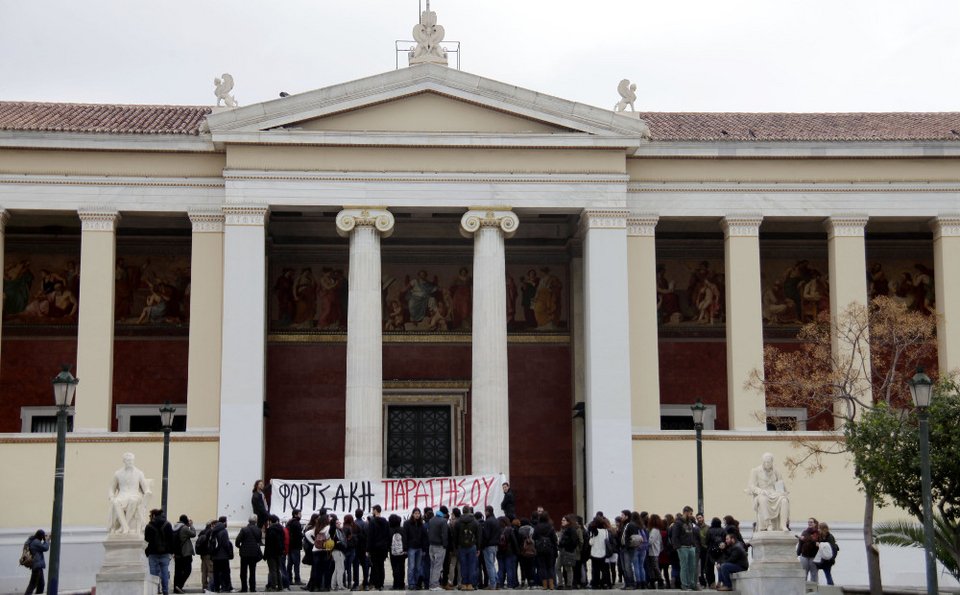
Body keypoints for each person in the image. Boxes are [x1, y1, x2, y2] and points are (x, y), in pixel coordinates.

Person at [108, 452, 152, 535]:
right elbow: (111, 488)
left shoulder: (139, 473)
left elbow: (146, 488)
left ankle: (123, 527)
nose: (130, 462)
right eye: (128, 461)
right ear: (124, 461)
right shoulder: (118, 473)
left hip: (135, 494)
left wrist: (147, 493)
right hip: (122, 495)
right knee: (115, 502)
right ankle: (125, 527)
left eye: (131, 460)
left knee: (133, 500)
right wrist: (111, 496)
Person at [747, 453, 791, 532]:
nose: (767, 464)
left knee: (784, 500)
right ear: (763, 462)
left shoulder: (776, 471)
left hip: (774, 493)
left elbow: (780, 483)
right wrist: (760, 491)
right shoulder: (756, 471)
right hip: (761, 493)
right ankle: (768, 524)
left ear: (772, 462)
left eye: (769, 462)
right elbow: (751, 486)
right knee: (763, 499)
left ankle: (783, 525)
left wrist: (782, 492)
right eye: (765, 462)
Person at [144, 508, 174, 595]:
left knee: (153, 574)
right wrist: (171, 552)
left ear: (153, 515)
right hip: (165, 553)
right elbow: (171, 539)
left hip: (153, 553)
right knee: (164, 572)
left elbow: (146, 540)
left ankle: (155, 591)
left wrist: (147, 552)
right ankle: (165, 591)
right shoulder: (167, 524)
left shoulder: (149, 526)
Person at [669, 506, 699, 591]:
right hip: (682, 547)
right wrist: (678, 547)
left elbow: (692, 535)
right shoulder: (678, 523)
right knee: (684, 566)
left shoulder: (690, 522)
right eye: (690, 513)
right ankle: (685, 585)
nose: (691, 515)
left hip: (691, 547)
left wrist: (693, 545)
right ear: (685, 512)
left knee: (692, 567)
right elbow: (674, 536)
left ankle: (692, 584)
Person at [454, 505, 480, 591]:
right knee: (472, 565)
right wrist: (478, 548)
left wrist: (455, 547)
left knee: (463, 565)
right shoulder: (475, 522)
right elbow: (479, 536)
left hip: (461, 546)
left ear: (462, 512)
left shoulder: (458, 522)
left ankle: (464, 584)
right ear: (469, 511)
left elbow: (455, 536)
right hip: (472, 546)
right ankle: (470, 584)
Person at [236, 514, 264, 593]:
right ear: (256, 521)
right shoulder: (258, 530)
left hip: (244, 554)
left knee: (243, 572)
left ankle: (244, 588)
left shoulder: (244, 529)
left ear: (249, 521)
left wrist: (240, 547)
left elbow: (237, 541)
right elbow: (258, 541)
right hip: (254, 553)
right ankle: (252, 588)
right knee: (252, 572)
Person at [367, 505, 391, 591]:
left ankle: (377, 584)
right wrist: (387, 547)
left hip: (374, 548)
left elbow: (370, 536)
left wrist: (368, 549)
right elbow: (388, 535)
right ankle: (381, 583)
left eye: (373, 510)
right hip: (383, 548)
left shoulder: (372, 522)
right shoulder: (385, 521)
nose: (372, 512)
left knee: (375, 566)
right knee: (381, 565)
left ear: (376, 511)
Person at [172, 514, 196, 594]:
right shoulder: (184, 528)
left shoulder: (174, 527)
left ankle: (176, 588)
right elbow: (193, 534)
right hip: (185, 553)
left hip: (177, 553)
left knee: (177, 571)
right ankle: (179, 586)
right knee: (187, 570)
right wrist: (191, 525)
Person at [427, 506, 450, 590]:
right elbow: (444, 535)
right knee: (438, 566)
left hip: (431, 546)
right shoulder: (443, 521)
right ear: (445, 513)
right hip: (439, 546)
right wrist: (445, 545)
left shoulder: (431, 519)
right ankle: (434, 585)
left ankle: (431, 583)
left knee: (432, 565)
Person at [404, 508, 426, 590]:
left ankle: (417, 583)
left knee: (418, 567)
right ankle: (411, 583)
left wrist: (424, 549)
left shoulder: (421, 524)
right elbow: (405, 536)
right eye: (415, 513)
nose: (417, 515)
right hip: (411, 547)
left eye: (418, 513)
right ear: (413, 514)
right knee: (411, 567)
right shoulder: (407, 523)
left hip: (419, 548)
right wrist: (405, 548)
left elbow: (424, 537)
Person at [588, 515, 612, 589]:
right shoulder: (605, 531)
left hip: (594, 553)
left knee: (595, 570)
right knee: (604, 570)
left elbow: (591, 543)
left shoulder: (594, 531)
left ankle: (596, 584)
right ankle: (605, 583)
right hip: (603, 552)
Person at [480, 506, 501, 589]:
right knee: (492, 565)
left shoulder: (488, 522)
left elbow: (486, 535)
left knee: (489, 566)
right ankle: (496, 582)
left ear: (488, 511)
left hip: (488, 546)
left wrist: (482, 545)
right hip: (495, 545)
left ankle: (493, 584)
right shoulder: (496, 521)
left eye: (485, 511)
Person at [23, 529, 49, 595]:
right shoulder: (36, 542)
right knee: (32, 585)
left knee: (41, 584)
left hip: (38, 566)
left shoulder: (34, 541)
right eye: (43, 536)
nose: (43, 537)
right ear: (41, 536)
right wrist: (46, 540)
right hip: (37, 566)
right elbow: (45, 548)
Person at [264, 514, 285, 591]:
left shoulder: (270, 530)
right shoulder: (281, 529)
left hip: (271, 553)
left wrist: (265, 555)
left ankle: (273, 586)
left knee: (272, 570)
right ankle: (280, 586)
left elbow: (268, 544)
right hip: (279, 553)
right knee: (278, 569)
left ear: (270, 521)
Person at [797, 517, 820, 583]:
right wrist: (798, 553)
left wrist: (804, 539)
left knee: (814, 575)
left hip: (814, 557)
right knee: (804, 574)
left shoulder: (818, 533)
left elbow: (816, 543)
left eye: (811, 522)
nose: (809, 523)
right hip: (804, 556)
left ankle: (814, 591)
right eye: (808, 522)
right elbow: (800, 544)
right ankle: (803, 590)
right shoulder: (804, 532)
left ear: (815, 524)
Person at [388, 513, 407, 590]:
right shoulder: (402, 529)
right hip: (402, 552)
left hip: (393, 552)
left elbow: (388, 541)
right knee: (402, 568)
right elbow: (405, 540)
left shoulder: (390, 530)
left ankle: (396, 585)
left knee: (395, 568)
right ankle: (401, 584)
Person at [287, 509, 304, 586]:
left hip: (290, 546)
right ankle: (297, 579)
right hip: (296, 546)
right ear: (295, 515)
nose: (301, 515)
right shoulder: (296, 523)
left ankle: (289, 579)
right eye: (299, 514)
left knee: (290, 563)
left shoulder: (289, 522)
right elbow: (298, 535)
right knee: (296, 564)